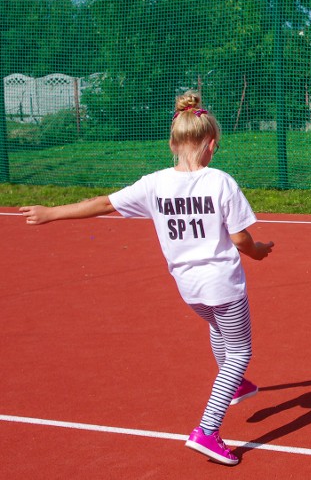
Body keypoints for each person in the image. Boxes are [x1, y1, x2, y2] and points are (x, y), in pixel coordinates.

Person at [19, 91, 274, 466]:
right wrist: (259, 250)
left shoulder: (154, 184)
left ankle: (232, 384)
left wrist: (50, 213)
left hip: (189, 289)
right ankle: (207, 430)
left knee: (219, 330)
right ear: (212, 144)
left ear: (172, 143)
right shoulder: (220, 182)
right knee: (239, 353)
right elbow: (240, 239)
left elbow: (104, 204)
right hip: (222, 283)